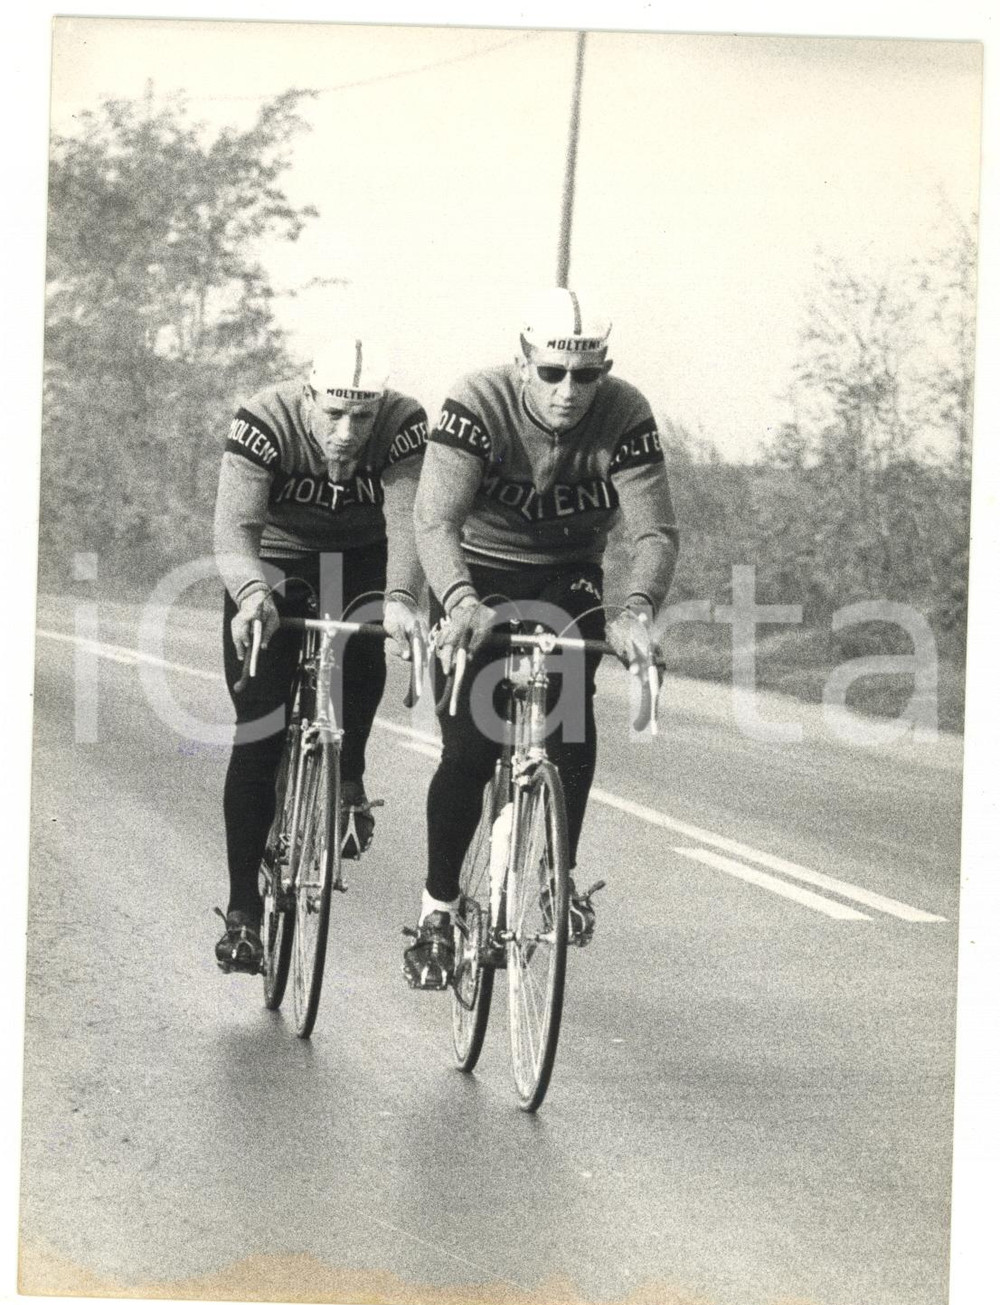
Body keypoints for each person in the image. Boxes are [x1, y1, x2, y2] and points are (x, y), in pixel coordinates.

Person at [404, 288, 679, 990]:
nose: (568, 391)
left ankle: (559, 873)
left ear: (604, 372)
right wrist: (458, 600)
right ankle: (437, 910)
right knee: (470, 746)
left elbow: (654, 532)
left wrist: (638, 610)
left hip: (567, 571)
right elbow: (434, 522)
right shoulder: (477, 401)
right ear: (523, 361)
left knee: (570, 715)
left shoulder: (626, 413)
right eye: (552, 372)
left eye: (586, 376)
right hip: (478, 572)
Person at [214, 336, 428, 973]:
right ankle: (243, 913)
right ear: (308, 396)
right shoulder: (264, 419)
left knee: (365, 647)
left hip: (359, 558)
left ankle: (348, 776)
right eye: (333, 414)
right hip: (274, 561)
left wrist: (401, 598)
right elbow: (235, 528)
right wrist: (251, 595)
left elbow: (409, 521)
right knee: (259, 731)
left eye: (361, 417)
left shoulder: (403, 423)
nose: (347, 433)